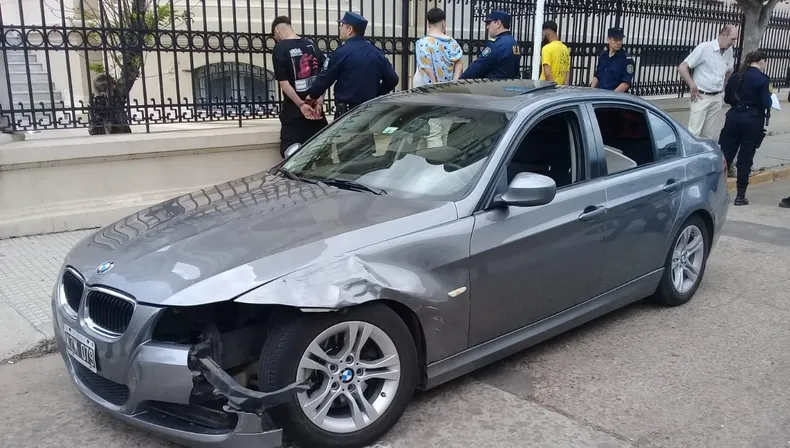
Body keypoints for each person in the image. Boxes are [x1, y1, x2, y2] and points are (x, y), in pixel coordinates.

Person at [305, 11, 399, 119]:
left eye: (342, 25)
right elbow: (393, 79)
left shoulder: (341, 53)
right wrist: (376, 94)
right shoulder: (376, 53)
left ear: (349, 30)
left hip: (347, 113)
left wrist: (312, 95)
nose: (340, 28)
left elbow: (325, 78)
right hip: (369, 111)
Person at [718, 50, 772, 206]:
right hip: (752, 120)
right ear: (761, 61)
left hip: (733, 117)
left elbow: (728, 98)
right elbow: (766, 103)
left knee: (726, 155)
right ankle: (740, 195)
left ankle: (718, 191)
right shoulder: (762, 79)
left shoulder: (736, 76)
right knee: (745, 157)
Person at [271, 16, 328, 158]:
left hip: (294, 112)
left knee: (291, 152)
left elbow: (284, 84)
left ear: (277, 32)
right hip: (316, 111)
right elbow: (324, 76)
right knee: (321, 152)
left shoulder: (280, 48)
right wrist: (319, 100)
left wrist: (301, 104)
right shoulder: (311, 45)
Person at [677, 25, 738, 140]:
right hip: (701, 96)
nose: (734, 43)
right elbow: (682, 67)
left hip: (717, 96)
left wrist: (724, 85)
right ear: (724, 35)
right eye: (732, 39)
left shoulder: (729, 51)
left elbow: (730, 70)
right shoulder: (705, 48)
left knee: (708, 135)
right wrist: (692, 85)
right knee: (694, 133)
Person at [459, 10, 521, 80]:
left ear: (498, 23)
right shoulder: (514, 43)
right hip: (511, 85)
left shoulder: (495, 44)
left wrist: (460, 81)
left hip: (493, 85)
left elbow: (478, 67)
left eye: (489, 23)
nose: (487, 27)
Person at [413, 8, 463, 87]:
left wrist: (435, 86)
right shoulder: (452, 42)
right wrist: (454, 83)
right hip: (449, 87)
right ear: (443, 23)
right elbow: (459, 64)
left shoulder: (422, 43)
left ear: (428, 23)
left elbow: (426, 68)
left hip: (427, 88)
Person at [590, 27, 634, 93]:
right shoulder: (603, 56)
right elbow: (597, 76)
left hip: (615, 97)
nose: (618, 43)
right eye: (615, 40)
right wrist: (591, 91)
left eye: (620, 40)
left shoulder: (626, 59)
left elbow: (626, 83)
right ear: (608, 39)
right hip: (599, 94)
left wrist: (611, 96)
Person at [539, 20, 570, 85]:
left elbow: (547, 74)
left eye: (542, 34)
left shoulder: (547, 48)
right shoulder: (565, 48)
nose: (542, 37)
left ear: (546, 33)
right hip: (560, 88)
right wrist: (564, 87)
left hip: (545, 88)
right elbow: (567, 72)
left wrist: (554, 88)